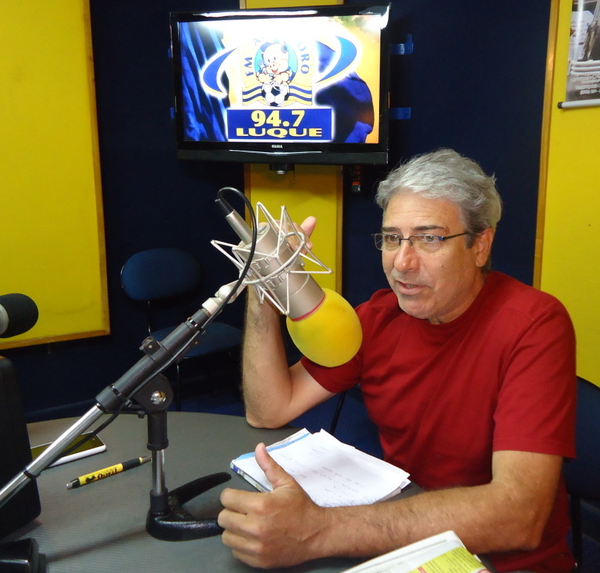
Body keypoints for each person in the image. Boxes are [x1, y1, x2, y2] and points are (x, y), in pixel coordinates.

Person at [218, 148, 577, 573]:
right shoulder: (377, 318)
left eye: (429, 238)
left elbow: (518, 516)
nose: (402, 263)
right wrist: (264, 283)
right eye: (392, 238)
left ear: (480, 245)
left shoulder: (534, 325)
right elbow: (269, 409)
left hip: (501, 561)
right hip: (407, 538)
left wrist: (319, 530)